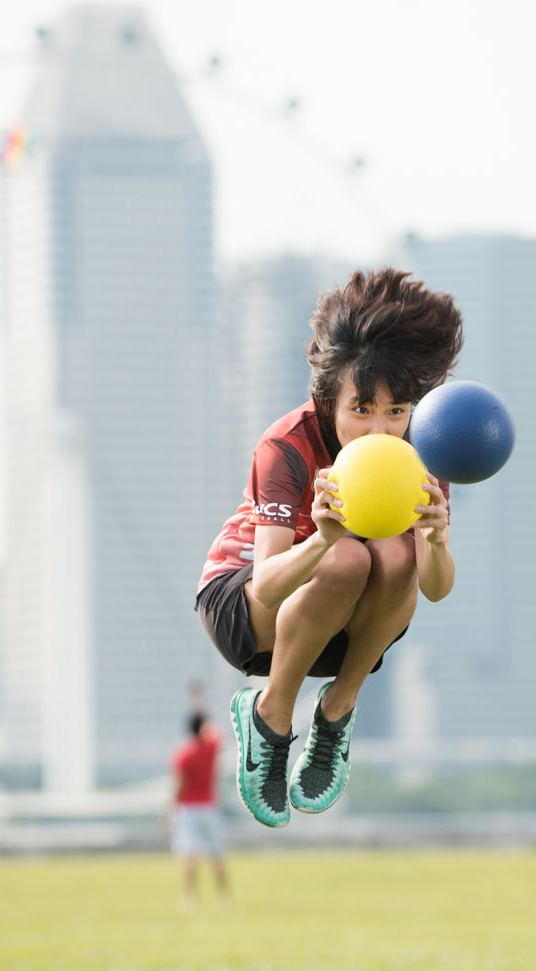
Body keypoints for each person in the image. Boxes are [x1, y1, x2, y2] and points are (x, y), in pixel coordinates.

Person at [195, 267, 464, 827]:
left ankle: (337, 713)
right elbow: (265, 581)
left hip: (342, 624)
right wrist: (321, 538)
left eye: (396, 411)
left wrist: (434, 540)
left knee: (395, 553)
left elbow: (435, 590)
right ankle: (270, 715)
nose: (379, 431)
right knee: (346, 556)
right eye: (360, 410)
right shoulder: (286, 445)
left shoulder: (421, 455)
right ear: (327, 401)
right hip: (244, 608)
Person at [168, 712, 230, 907]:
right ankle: (224, 897)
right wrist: (199, 701)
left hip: (188, 809)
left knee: (189, 855)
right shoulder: (210, 748)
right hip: (210, 806)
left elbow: (179, 785)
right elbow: (216, 732)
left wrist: (170, 809)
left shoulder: (183, 754)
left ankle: (190, 898)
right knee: (216, 855)